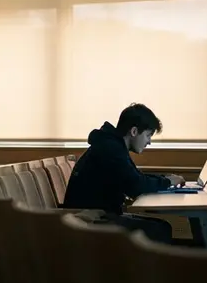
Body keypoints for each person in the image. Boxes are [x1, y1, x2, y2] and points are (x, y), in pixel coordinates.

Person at [61, 103, 184, 244]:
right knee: (160, 230)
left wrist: (165, 179)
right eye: (148, 135)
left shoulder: (112, 145)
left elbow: (135, 178)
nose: (149, 142)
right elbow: (135, 186)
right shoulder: (111, 149)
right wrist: (167, 182)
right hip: (89, 219)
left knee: (162, 227)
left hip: (97, 215)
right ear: (134, 131)